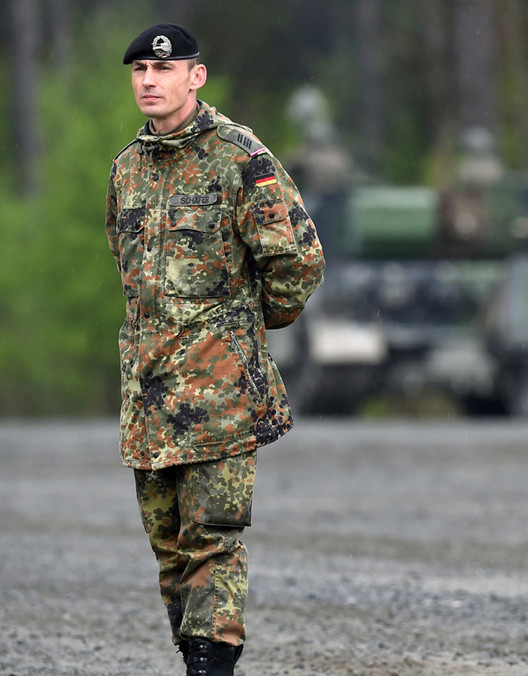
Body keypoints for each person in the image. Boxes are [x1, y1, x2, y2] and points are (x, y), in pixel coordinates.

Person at [104, 23, 325, 676]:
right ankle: (198, 659)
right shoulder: (126, 170)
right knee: (171, 554)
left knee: (213, 545)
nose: (149, 81)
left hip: (220, 394)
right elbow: (129, 269)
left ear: (195, 78)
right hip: (150, 399)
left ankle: (212, 668)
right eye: (140, 70)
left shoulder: (238, 157)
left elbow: (298, 260)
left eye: (163, 70)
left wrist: (246, 332)